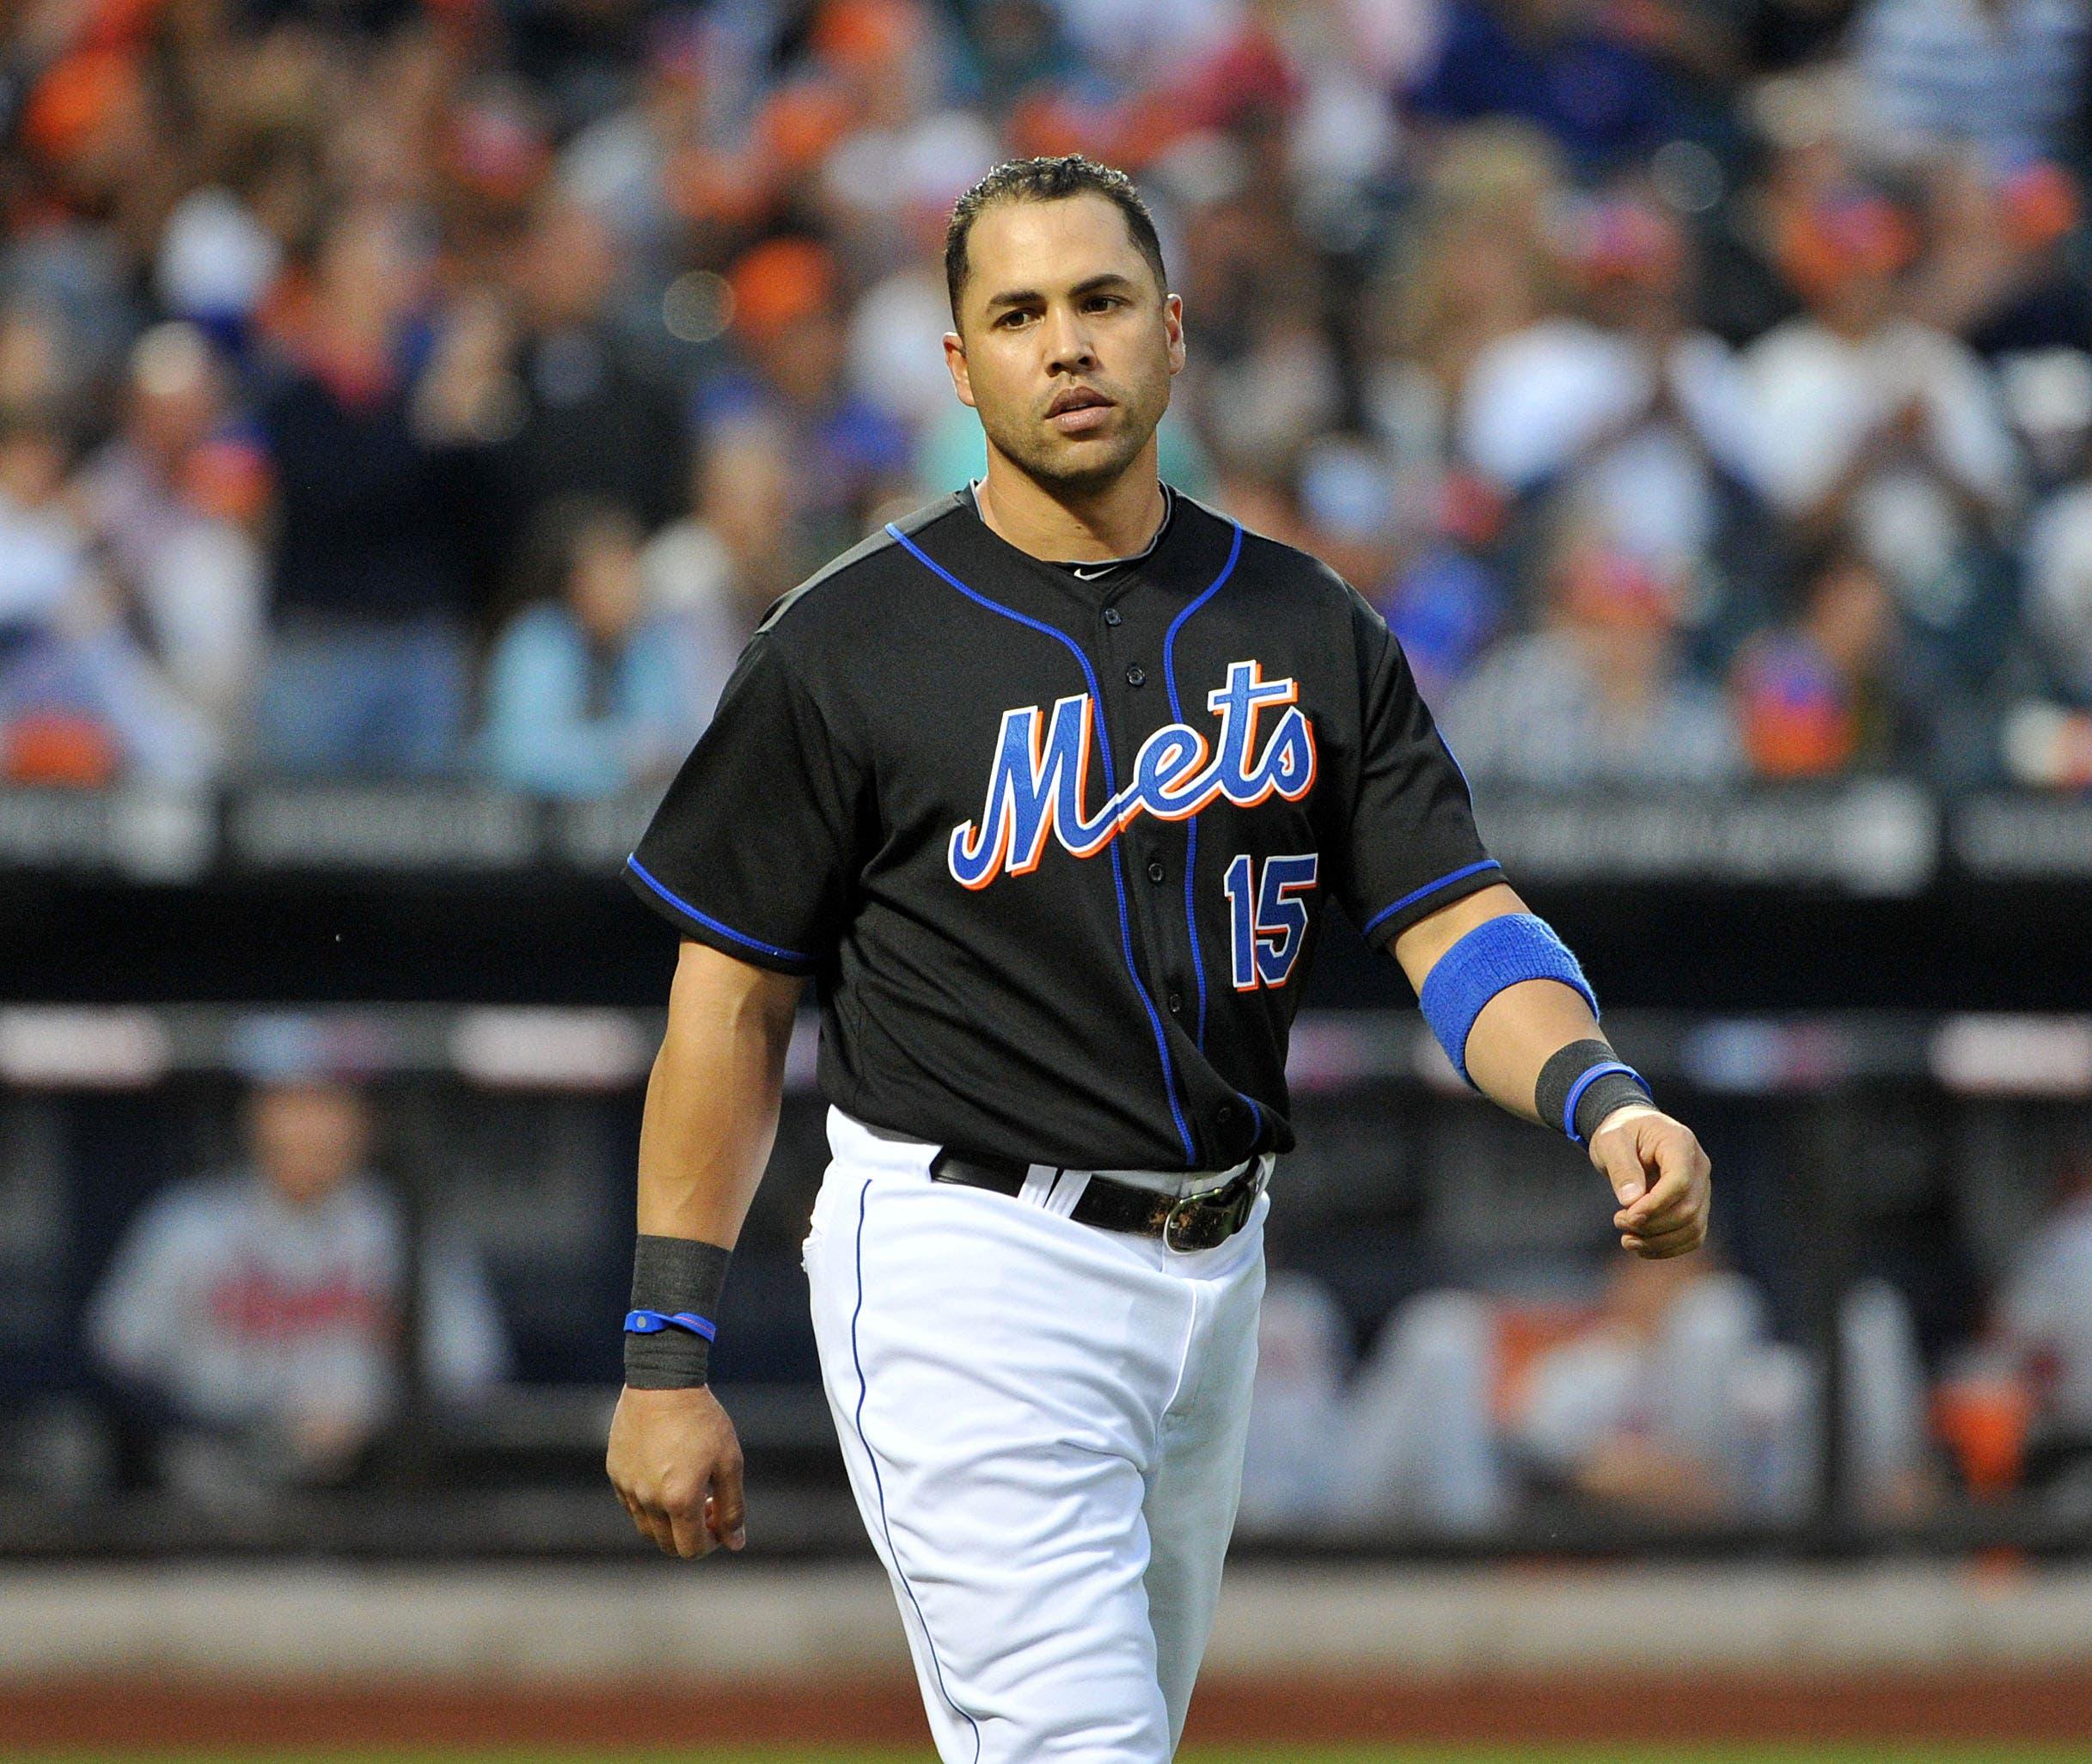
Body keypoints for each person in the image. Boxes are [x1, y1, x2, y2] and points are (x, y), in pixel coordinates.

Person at [604, 156, 1712, 1764]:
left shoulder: (1303, 621)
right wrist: (661, 1353)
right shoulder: (842, 643)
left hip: (1215, 1267)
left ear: (1171, 333)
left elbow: (1454, 917)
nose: (1064, 345)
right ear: (956, 363)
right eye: (1018, 312)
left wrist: (1597, 1096)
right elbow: (730, 1000)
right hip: (965, 1255)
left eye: (1100, 302)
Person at [87, 1074, 509, 1496]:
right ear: (254, 1115)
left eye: (330, 1106)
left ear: (366, 1123)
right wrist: (232, 1422)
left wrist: (371, 1419)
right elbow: (120, 1360)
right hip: (211, 1488)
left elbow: (469, 1369)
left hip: (370, 1489)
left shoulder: (408, 1227)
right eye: (292, 1105)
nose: (311, 1128)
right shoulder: (187, 1223)